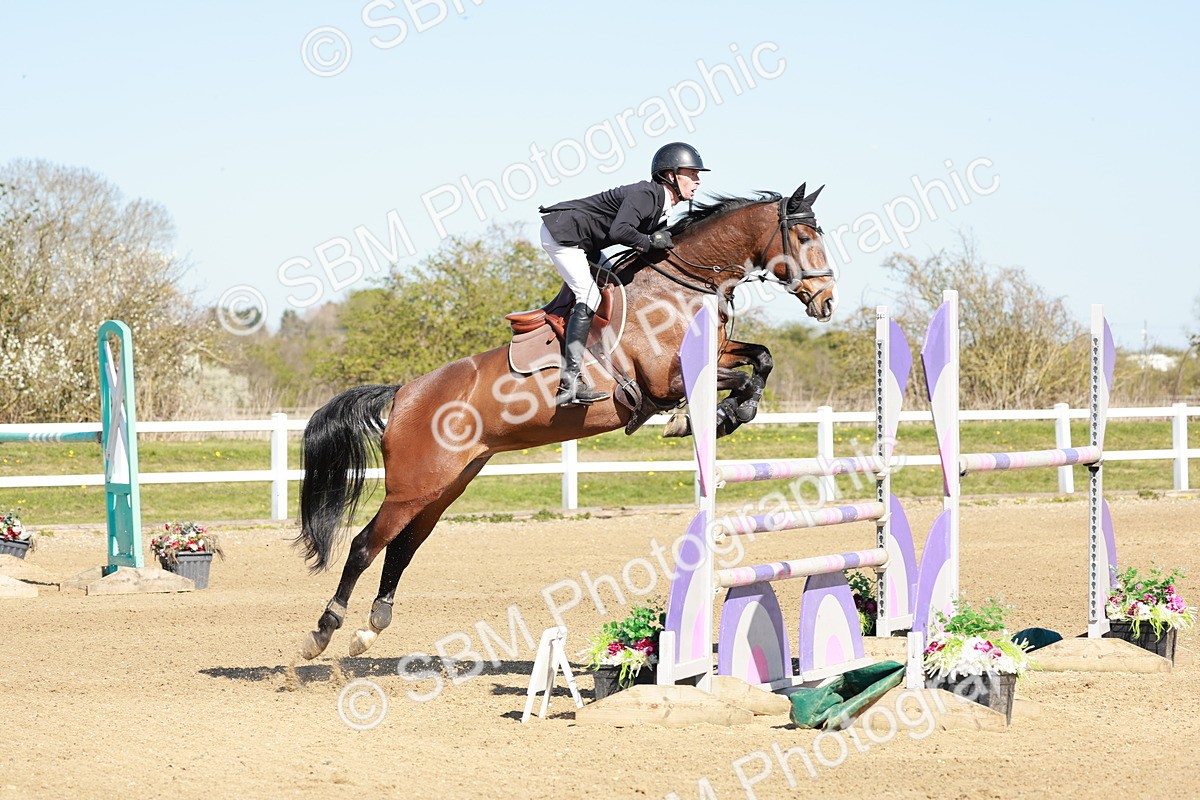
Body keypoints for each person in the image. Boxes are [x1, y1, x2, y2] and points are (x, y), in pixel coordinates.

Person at [539, 141, 709, 407]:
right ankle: (569, 383)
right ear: (671, 176)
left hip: (586, 242)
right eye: (692, 174)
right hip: (564, 234)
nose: (698, 181)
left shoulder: (661, 207)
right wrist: (652, 242)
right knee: (589, 295)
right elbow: (621, 231)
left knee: (615, 286)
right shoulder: (646, 195)